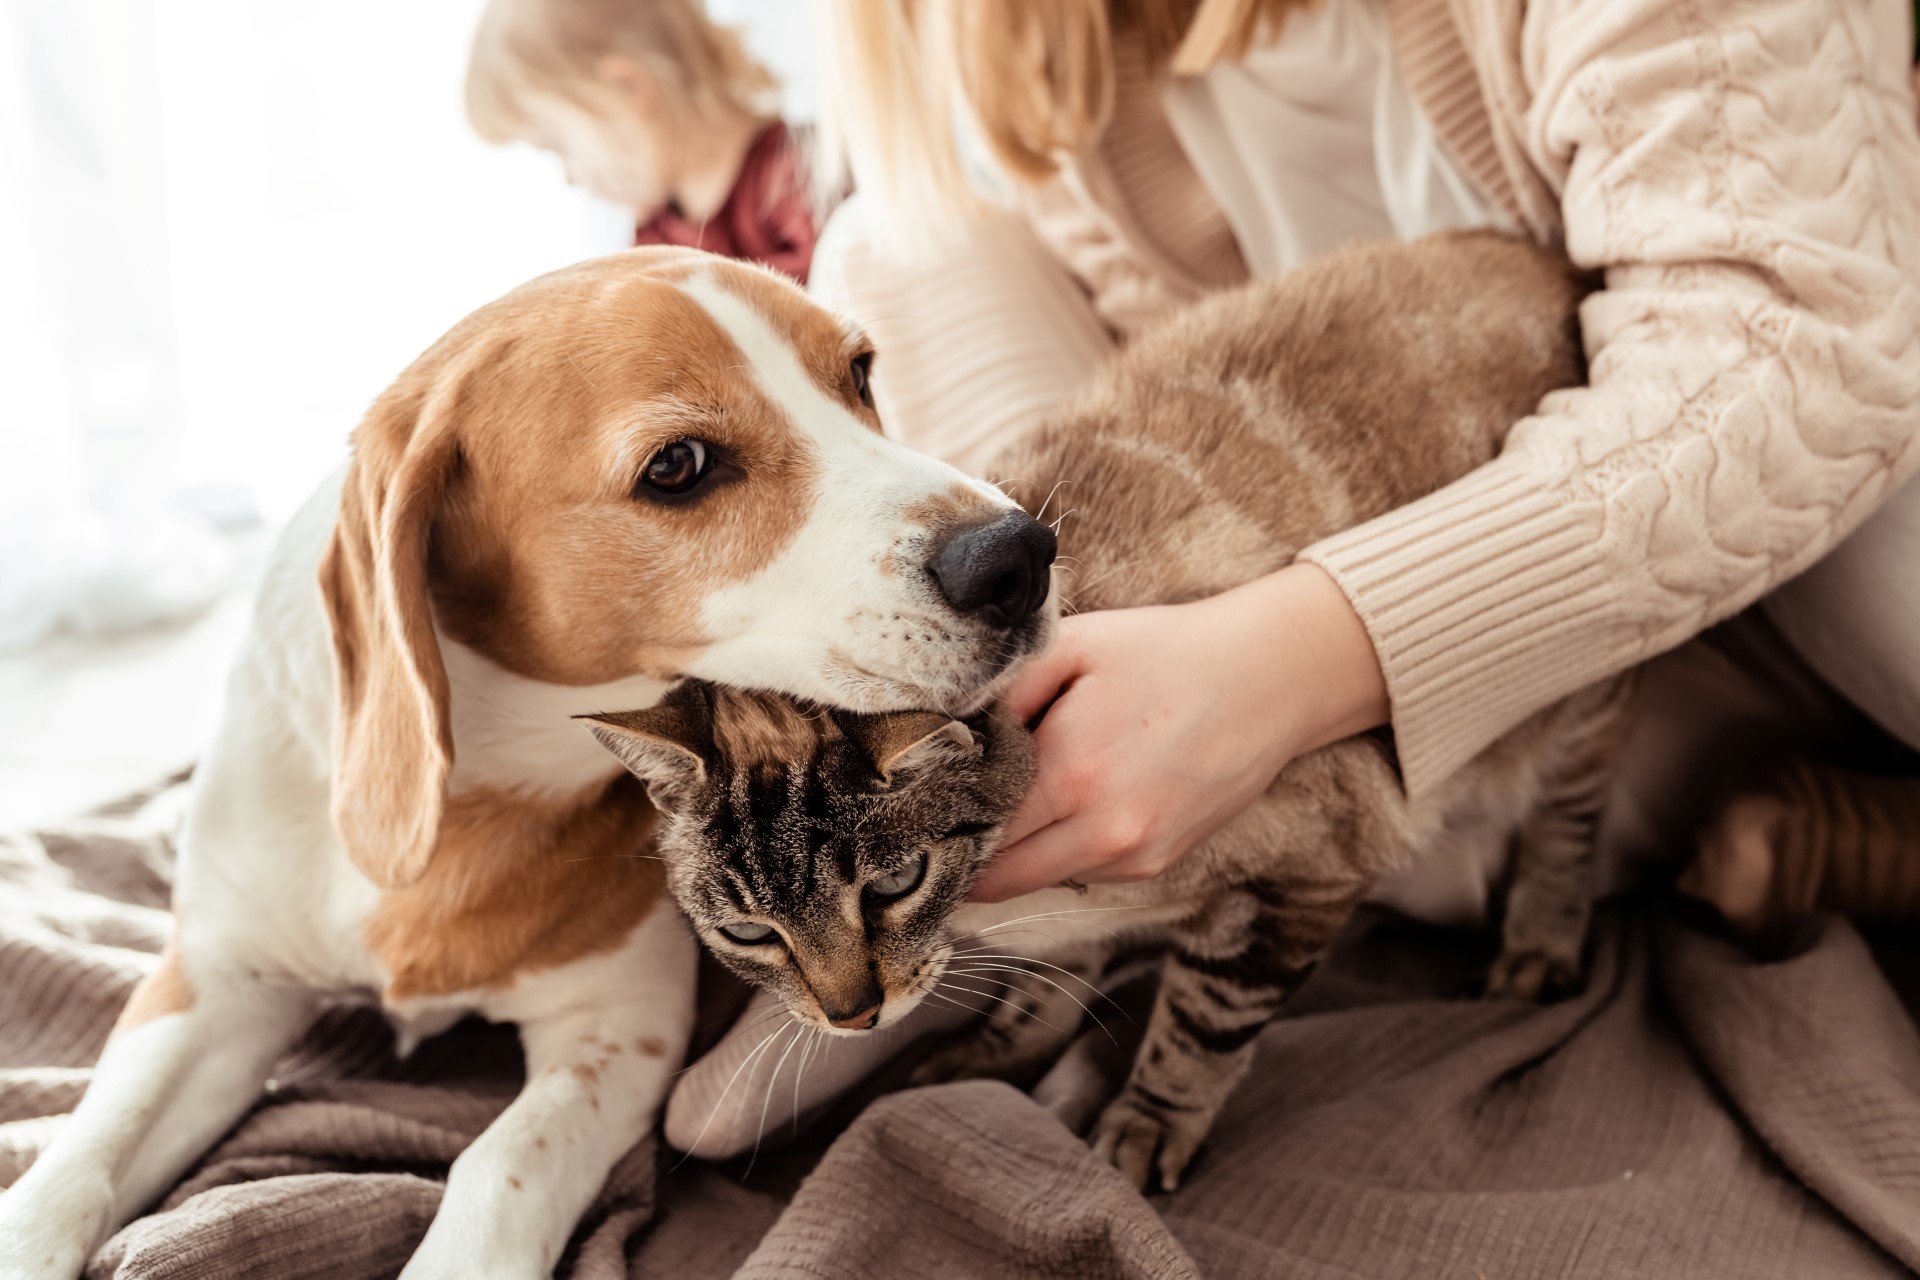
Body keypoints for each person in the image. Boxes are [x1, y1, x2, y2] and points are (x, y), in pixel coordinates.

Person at [661, 0, 1920, 1154]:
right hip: (1437, 531)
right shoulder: (1054, 41)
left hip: (1766, 506)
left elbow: (1803, 348)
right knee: (897, 234)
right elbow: (1196, 369)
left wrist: (1287, 662)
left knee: (1866, 559)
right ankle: (1008, 883)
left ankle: (1019, 892)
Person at [465, 0, 820, 281]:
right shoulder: (652, 244)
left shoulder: (798, 174)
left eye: (559, 147)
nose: (569, 177)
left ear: (627, 86)